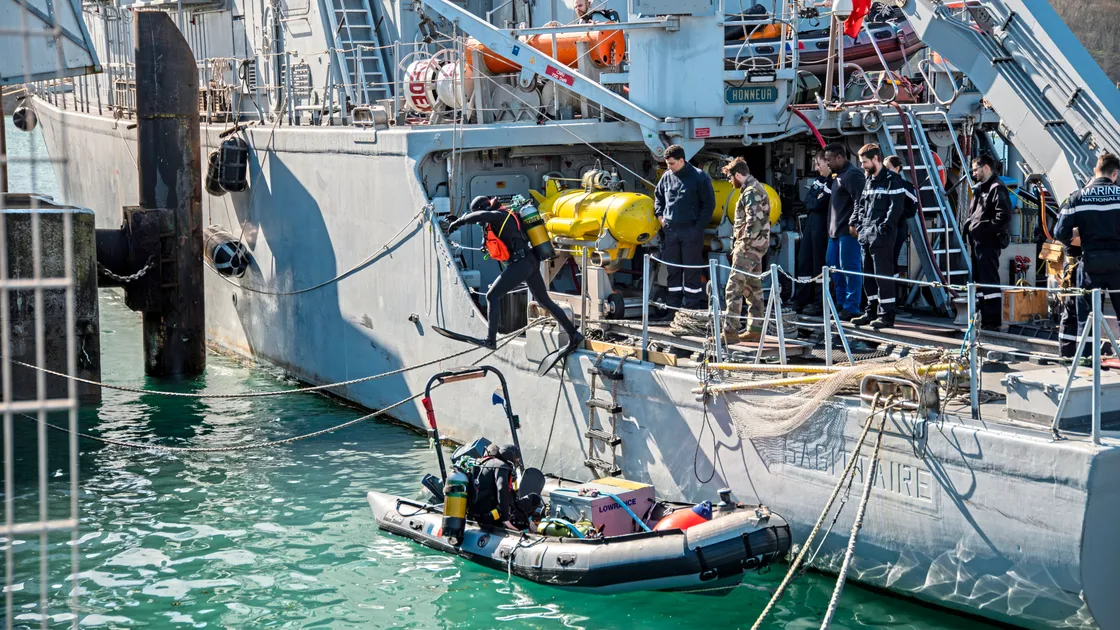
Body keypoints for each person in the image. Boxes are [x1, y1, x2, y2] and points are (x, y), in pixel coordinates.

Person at [448, 196, 584, 351]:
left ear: (484, 208)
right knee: (544, 301)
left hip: (521, 263)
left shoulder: (499, 216)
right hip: (530, 261)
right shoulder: (504, 215)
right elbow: (481, 217)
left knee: (492, 296)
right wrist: (460, 218)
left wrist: (459, 222)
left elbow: (482, 216)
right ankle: (574, 335)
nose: (480, 223)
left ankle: (490, 340)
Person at [1055, 153, 1120, 350]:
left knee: (1088, 319)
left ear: (1095, 171)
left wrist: (1079, 239)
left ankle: (1087, 361)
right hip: (1118, 264)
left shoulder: (1077, 197)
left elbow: (1060, 232)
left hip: (1090, 265)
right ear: (1115, 174)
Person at [851, 144, 909, 329]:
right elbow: (861, 204)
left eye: (865, 162)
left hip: (881, 237)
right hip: (866, 235)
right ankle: (871, 312)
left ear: (876, 159)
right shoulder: (869, 180)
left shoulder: (892, 180)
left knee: (883, 277)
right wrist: (860, 225)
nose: (862, 166)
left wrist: (883, 229)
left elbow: (896, 208)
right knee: (868, 276)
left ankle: (886, 316)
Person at [654, 144, 716, 310]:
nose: (669, 167)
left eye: (672, 164)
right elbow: (658, 198)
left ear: (682, 160)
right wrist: (661, 219)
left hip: (691, 230)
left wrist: (698, 227)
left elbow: (709, 204)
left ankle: (692, 308)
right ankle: (673, 308)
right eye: (667, 164)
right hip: (671, 229)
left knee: (691, 269)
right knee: (673, 270)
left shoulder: (699, 177)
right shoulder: (666, 177)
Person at [720, 157, 770, 344]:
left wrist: (742, 246)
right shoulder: (756, 188)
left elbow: (753, 222)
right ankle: (755, 329)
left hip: (748, 247)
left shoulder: (750, 191)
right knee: (753, 288)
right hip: (757, 246)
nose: (730, 181)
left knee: (734, 287)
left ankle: (730, 332)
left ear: (738, 175)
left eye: (730, 177)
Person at [964, 153, 1012, 330]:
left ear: (986, 168)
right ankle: (983, 318)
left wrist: (984, 230)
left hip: (988, 243)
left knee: (989, 280)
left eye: (976, 169)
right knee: (980, 282)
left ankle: (992, 321)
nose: (974, 173)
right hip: (978, 243)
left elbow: (1003, 216)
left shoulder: (996, 188)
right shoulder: (981, 189)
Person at [823, 143, 866, 320]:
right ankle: (841, 303)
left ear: (840, 157)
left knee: (850, 268)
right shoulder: (839, 175)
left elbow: (861, 200)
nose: (827, 164)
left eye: (829, 160)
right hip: (834, 232)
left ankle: (851, 306)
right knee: (834, 268)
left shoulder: (853, 175)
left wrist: (854, 222)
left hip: (848, 232)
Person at [795, 151, 831, 315]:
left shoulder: (832, 182)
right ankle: (801, 299)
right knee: (804, 260)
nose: (816, 168)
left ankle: (819, 302)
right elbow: (809, 201)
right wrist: (815, 201)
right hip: (811, 223)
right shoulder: (819, 181)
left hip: (822, 225)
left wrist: (815, 201)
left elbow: (818, 204)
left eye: (818, 164)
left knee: (819, 264)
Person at [469, 443, 523, 529]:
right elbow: (502, 488)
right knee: (534, 500)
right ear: (510, 458)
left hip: (474, 514)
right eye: (516, 460)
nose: (517, 462)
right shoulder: (501, 466)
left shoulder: (481, 462)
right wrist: (505, 519)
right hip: (488, 517)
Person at [884, 155, 918, 278]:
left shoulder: (904, 186)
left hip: (898, 227)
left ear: (897, 168)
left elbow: (913, 205)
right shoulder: (881, 183)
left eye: (888, 167)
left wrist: (898, 215)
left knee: (892, 257)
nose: (886, 170)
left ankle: (893, 288)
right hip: (884, 228)